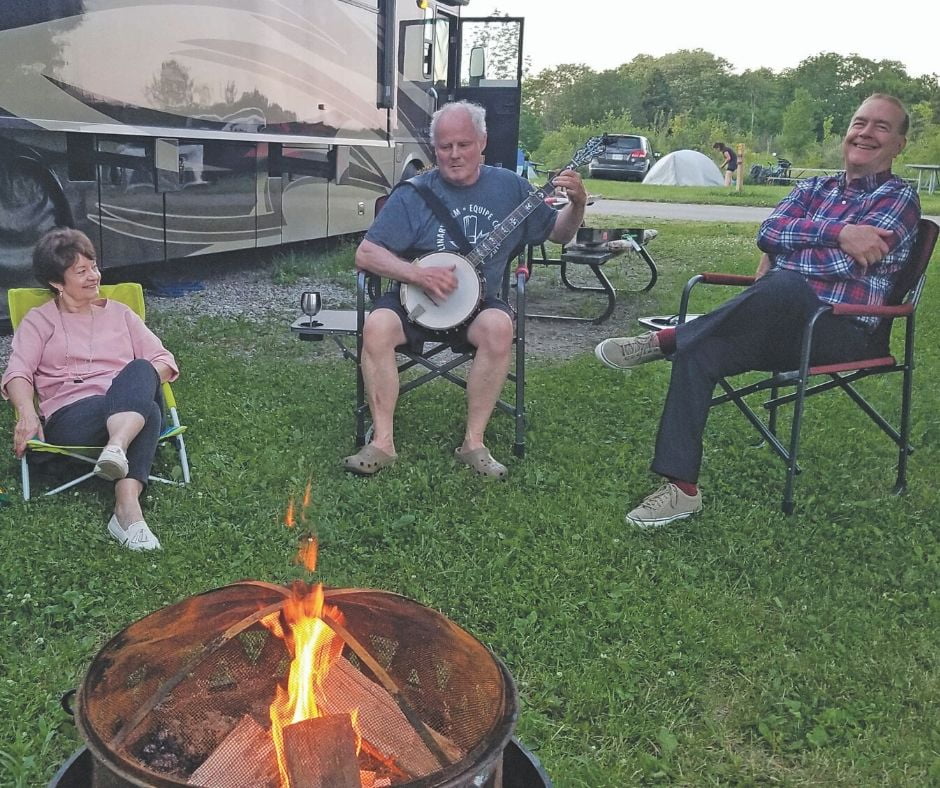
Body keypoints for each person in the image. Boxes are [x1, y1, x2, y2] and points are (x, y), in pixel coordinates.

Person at [596, 94, 920, 528]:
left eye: (882, 127)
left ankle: (669, 338)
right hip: (779, 324)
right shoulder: (812, 188)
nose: (865, 133)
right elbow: (769, 233)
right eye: (860, 122)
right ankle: (682, 488)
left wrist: (798, 248)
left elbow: (840, 264)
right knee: (703, 353)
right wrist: (839, 230)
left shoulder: (899, 198)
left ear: (899, 144)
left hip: (842, 328)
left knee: (783, 281)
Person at [345, 100, 587, 478]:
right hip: (415, 300)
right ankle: (382, 442)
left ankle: (473, 443)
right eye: (445, 147)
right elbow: (367, 253)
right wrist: (416, 275)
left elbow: (559, 233)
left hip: (478, 304)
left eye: (463, 144)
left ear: (482, 143)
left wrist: (578, 204)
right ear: (434, 149)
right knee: (376, 326)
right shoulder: (414, 193)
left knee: (499, 327)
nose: (454, 155)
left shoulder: (511, 187)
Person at [2, 228, 179, 550]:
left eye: (94, 266)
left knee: (141, 369)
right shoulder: (39, 321)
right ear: (57, 282)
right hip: (75, 416)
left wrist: (135, 384)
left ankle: (125, 497)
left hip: (126, 396)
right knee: (147, 409)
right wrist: (27, 415)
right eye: (80, 271)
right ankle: (124, 498)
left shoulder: (121, 314)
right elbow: (18, 371)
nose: (93, 276)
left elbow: (163, 360)